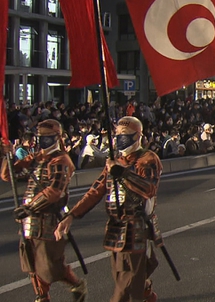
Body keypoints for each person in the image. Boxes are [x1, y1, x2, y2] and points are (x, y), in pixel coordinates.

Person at [55, 116, 162, 302]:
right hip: (115, 227)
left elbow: (148, 188)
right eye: (118, 135)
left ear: (138, 136)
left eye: (126, 135)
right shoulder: (114, 161)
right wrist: (71, 215)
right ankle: (147, 292)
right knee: (122, 277)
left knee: (125, 289)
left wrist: (122, 172)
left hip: (136, 227)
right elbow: (95, 191)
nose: (121, 139)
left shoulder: (148, 159)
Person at [1, 119, 87, 302]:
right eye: (41, 137)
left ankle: (76, 284)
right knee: (30, 261)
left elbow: (55, 191)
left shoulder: (61, 159)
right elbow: (8, 174)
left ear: (57, 137)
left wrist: (29, 207)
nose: (44, 141)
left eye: (48, 137)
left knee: (50, 265)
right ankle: (42, 296)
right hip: (29, 219)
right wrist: (7, 156)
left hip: (51, 218)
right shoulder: (36, 157)